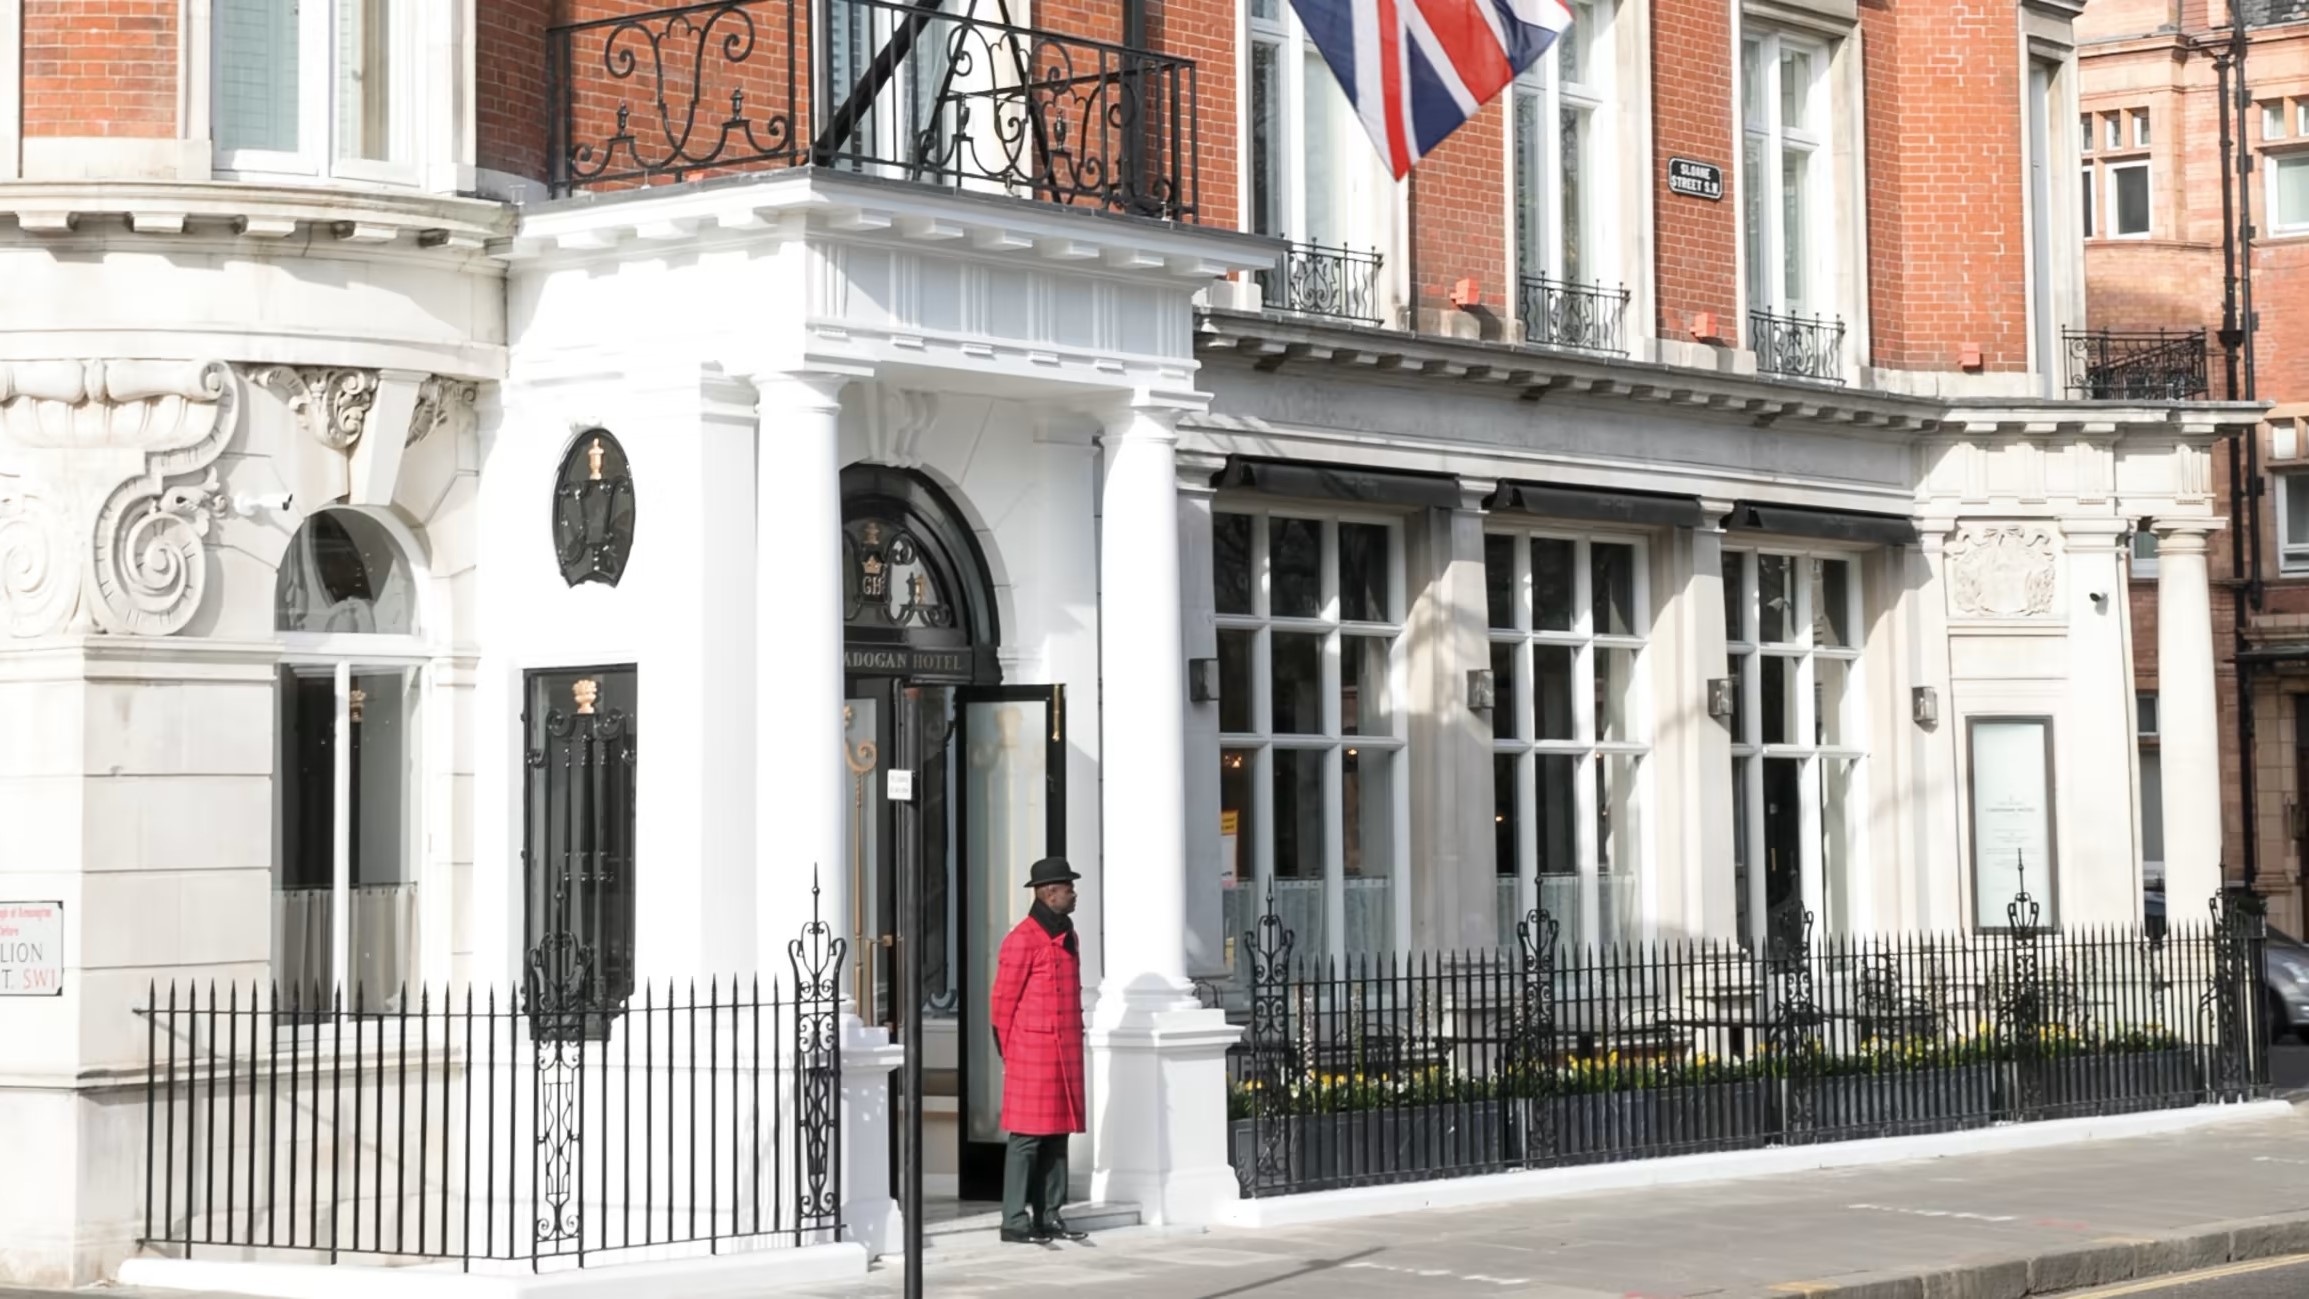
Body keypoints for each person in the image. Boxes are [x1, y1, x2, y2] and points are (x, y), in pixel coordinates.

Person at [988, 856, 1088, 1245]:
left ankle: (1050, 1215)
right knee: (1027, 1138)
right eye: (1068, 887)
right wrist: (1011, 1053)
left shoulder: (1069, 936)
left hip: (1064, 1051)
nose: (1074, 893)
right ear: (1050, 892)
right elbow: (1002, 1004)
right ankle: (1014, 1220)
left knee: (1058, 1136)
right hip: (1032, 1051)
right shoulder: (1021, 939)